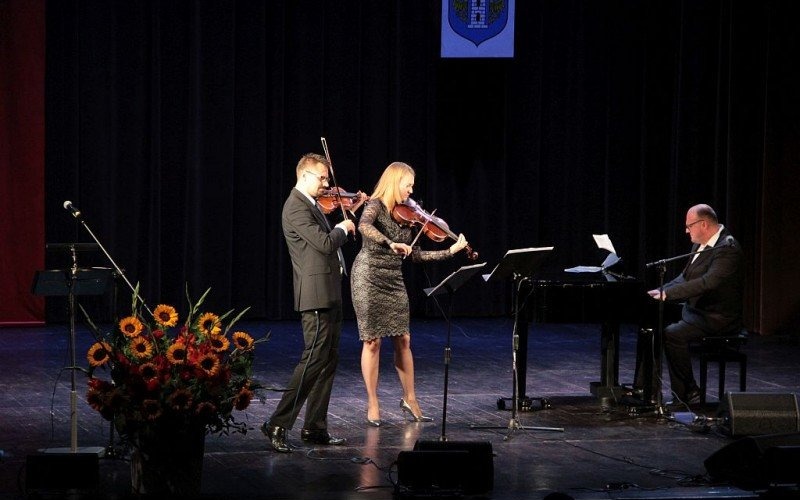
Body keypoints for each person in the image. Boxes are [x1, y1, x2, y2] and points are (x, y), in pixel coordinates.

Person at [350, 161, 469, 426]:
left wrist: (450, 251)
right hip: (368, 276)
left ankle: (410, 398)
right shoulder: (376, 206)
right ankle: (372, 402)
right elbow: (363, 227)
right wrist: (390, 242)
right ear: (396, 182)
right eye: (409, 185)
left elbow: (415, 255)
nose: (411, 191)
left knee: (403, 339)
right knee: (372, 342)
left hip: (393, 279)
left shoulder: (409, 214)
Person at [261, 153, 364, 453]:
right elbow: (324, 243)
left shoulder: (311, 205)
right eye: (321, 178)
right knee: (313, 360)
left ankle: (315, 427)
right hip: (315, 294)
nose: (326, 184)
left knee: (328, 361)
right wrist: (343, 228)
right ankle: (277, 422)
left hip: (329, 290)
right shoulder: (295, 206)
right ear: (305, 175)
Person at [646, 204, 744, 406]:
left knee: (673, 334)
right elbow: (686, 276)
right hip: (696, 311)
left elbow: (709, 282)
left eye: (689, 226)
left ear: (704, 224)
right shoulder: (701, 243)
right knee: (654, 325)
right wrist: (662, 289)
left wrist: (668, 294)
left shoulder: (728, 248)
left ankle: (689, 391)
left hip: (717, 317)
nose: (686, 230)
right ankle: (656, 391)